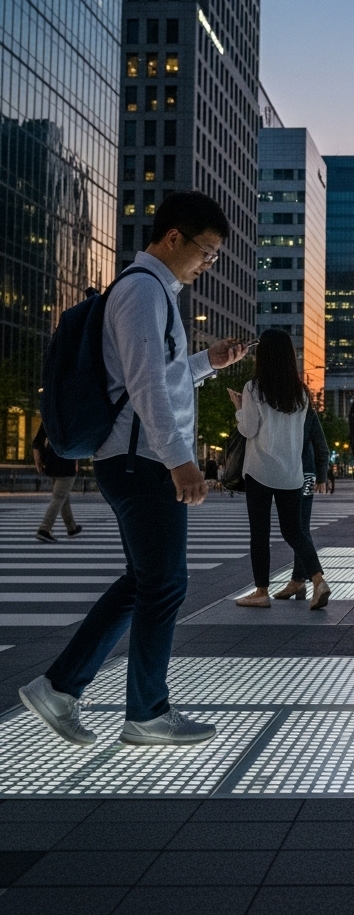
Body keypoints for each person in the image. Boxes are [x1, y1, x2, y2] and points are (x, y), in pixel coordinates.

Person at [19, 191, 246, 746]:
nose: (207, 264)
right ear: (174, 239)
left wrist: (205, 363)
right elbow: (145, 386)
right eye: (207, 252)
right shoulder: (142, 291)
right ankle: (145, 711)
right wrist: (182, 463)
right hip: (140, 462)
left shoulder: (153, 292)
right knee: (165, 583)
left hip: (133, 459)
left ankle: (60, 689)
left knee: (145, 581)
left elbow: (157, 375)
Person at [229, 330, 331, 609]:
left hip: (260, 471)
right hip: (292, 473)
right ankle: (318, 580)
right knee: (294, 530)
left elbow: (248, 429)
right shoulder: (300, 392)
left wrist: (239, 408)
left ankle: (261, 592)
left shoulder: (254, 388)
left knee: (259, 533)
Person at [270, 399, 331, 601]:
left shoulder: (277, 408)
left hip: (289, 474)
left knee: (297, 529)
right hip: (306, 474)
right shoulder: (306, 410)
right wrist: (320, 475)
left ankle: (304, 579)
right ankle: (298, 580)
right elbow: (321, 445)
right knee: (301, 527)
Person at [31, 421, 82, 543]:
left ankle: (72, 528)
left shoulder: (50, 416)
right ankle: (44, 529)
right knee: (59, 497)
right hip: (67, 462)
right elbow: (78, 442)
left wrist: (39, 460)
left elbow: (37, 441)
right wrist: (76, 461)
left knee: (63, 497)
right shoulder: (71, 418)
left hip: (51, 463)